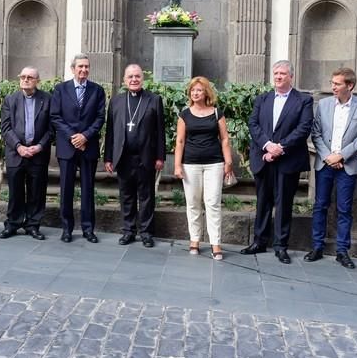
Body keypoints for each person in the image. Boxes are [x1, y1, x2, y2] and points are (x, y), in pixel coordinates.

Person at [242, 60, 313, 264]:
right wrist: (267, 145)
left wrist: (280, 148)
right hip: (264, 158)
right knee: (263, 201)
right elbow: (253, 124)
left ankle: (281, 246)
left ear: (291, 76)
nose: (278, 77)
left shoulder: (303, 100)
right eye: (276, 73)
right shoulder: (262, 99)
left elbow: (303, 128)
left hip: (287, 159)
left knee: (284, 204)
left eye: (282, 73)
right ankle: (259, 241)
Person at [305, 68, 357, 269]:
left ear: (349, 86)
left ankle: (342, 251)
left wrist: (341, 155)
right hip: (324, 164)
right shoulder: (323, 105)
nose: (332, 87)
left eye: (337, 84)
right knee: (320, 205)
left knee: (344, 209)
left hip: (347, 165)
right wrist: (328, 157)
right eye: (332, 83)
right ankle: (317, 246)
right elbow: (315, 133)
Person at [104, 64, 165, 248]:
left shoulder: (154, 100)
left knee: (146, 197)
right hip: (123, 157)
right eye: (130, 76)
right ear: (124, 80)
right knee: (126, 196)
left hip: (145, 157)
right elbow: (110, 133)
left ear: (142, 78)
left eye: (137, 76)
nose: (134, 80)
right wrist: (108, 158)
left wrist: (160, 157)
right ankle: (128, 231)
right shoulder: (116, 101)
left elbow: (160, 131)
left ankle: (146, 233)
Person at [174, 76, 234, 260]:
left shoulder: (217, 113)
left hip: (214, 163)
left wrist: (228, 161)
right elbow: (180, 140)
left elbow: (224, 138)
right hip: (190, 164)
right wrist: (177, 165)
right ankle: (194, 241)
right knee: (193, 203)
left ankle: (215, 243)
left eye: (199, 90)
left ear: (206, 92)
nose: (195, 93)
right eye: (193, 90)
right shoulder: (184, 114)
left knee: (213, 203)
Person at [50, 53, 106, 243]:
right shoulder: (60, 89)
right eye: (80, 66)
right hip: (67, 146)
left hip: (88, 146)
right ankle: (66, 229)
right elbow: (55, 116)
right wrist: (74, 137)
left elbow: (100, 118)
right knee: (66, 189)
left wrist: (85, 136)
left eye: (86, 67)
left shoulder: (97, 91)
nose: (84, 70)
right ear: (73, 69)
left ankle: (88, 229)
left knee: (88, 189)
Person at [0, 66, 51, 240]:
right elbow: (6, 128)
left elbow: (52, 128)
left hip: (38, 154)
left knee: (37, 192)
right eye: (23, 76)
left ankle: (33, 225)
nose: (25, 79)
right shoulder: (10, 100)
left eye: (30, 77)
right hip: (16, 153)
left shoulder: (47, 100)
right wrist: (19, 147)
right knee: (15, 192)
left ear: (37, 81)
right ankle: (12, 224)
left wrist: (40, 146)